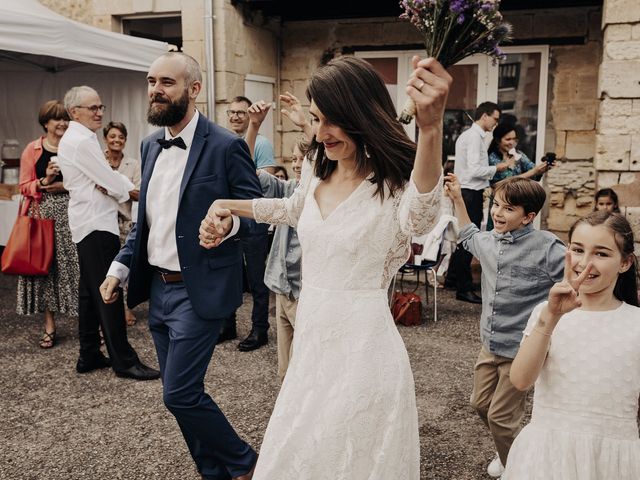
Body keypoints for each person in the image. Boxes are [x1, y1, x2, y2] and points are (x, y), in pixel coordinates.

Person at [199, 55, 450, 479]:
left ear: (361, 116)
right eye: (316, 119)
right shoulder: (317, 165)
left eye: (333, 121)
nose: (322, 132)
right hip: (312, 346)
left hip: (365, 354)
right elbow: (293, 208)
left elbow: (422, 216)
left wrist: (430, 129)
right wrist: (228, 207)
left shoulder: (394, 183)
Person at [100, 52, 262, 480]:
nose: (156, 90)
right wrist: (118, 269)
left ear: (194, 90)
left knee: (179, 394)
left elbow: (256, 218)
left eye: (167, 82)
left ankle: (249, 465)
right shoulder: (150, 144)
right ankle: (213, 472)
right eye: (151, 81)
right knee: (184, 396)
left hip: (199, 291)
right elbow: (146, 223)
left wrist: (224, 226)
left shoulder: (226, 146)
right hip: (158, 289)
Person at [444, 174, 565, 478]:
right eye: (496, 205)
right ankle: (507, 449)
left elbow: (574, 276)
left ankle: (520, 469)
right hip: (490, 343)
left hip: (521, 350)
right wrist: (458, 197)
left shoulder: (546, 246)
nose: (498, 213)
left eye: (509, 209)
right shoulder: (487, 242)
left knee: (500, 417)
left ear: (529, 217)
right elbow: (468, 234)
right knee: (480, 403)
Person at [503, 211, 640, 480]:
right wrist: (551, 318)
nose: (585, 264)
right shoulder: (546, 313)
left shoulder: (636, 323)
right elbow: (520, 380)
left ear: (625, 263)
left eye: (601, 254)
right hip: (548, 454)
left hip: (614, 458)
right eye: (578, 250)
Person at [58, 85, 159, 381]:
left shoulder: (79, 138)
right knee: (109, 290)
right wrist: (132, 191)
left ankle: (89, 353)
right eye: (93, 108)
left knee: (90, 293)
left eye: (101, 107)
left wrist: (115, 186)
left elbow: (107, 180)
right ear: (74, 112)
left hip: (87, 221)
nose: (100, 112)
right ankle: (124, 361)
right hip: (95, 223)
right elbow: (109, 180)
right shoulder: (81, 141)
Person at [16, 100, 79, 349]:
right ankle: (50, 325)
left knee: (77, 267)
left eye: (65, 118)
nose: (63, 123)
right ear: (46, 123)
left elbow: (87, 178)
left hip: (74, 213)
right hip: (42, 214)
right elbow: (23, 186)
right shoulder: (33, 149)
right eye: (57, 119)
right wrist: (45, 180)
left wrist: (63, 184)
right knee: (46, 269)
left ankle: (88, 321)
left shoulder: (75, 147)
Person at [218, 96, 275, 351]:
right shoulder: (223, 141)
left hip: (253, 218)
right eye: (232, 112)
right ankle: (227, 325)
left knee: (256, 278)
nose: (236, 117)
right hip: (231, 218)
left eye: (241, 112)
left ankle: (260, 328)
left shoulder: (261, 142)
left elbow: (267, 178)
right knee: (230, 274)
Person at [446, 102, 513, 304]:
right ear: (484, 116)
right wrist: (499, 168)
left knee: (464, 237)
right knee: (468, 238)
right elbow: (475, 170)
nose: (496, 122)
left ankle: (452, 278)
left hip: (468, 191)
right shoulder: (474, 137)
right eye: (495, 118)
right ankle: (463, 289)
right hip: (469, 192)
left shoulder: (471, 136)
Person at [103, 121, 141, 326]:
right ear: (105, 139)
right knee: (106, 264)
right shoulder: (98, 160)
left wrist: (114, 188)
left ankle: (127, 307)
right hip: (103, 219)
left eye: (121, 137)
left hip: (125, 221)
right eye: (113, 136)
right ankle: (108, 309)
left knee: (125, 264)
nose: (117, 140)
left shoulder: (133, 164)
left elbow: (140, 193)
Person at [486, 122, 552, 230]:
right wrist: (534, 171)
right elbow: (506, 182)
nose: (512, 142)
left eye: (514, 139)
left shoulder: (518, 154)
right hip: (501, 203)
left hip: (518, 203)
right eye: (508, 139)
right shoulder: (493, 158)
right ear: (498, 140)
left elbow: (532, 169)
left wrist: (543, 168)